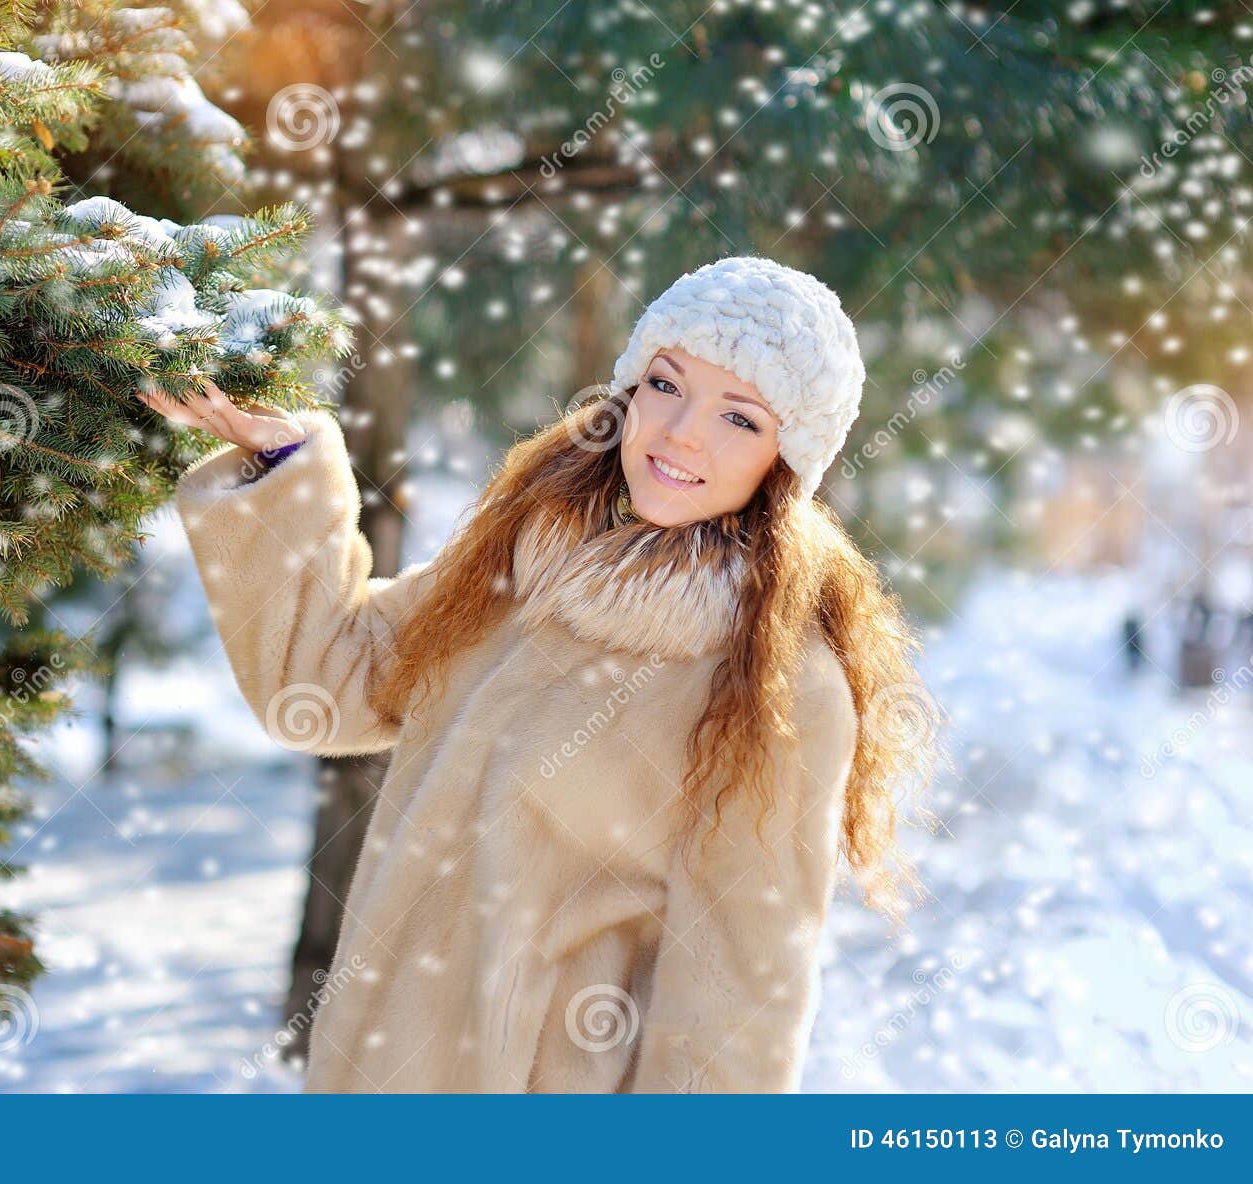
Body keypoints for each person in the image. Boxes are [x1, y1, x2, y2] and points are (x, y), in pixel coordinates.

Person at [139, 255, 938, 1093]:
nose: (682, 434)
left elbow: (738, 1001)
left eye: (740, 419)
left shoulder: (778, 683)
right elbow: (325, 686)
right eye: (666, 387)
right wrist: (282, 468)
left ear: (788, 461)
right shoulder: (528, 559)